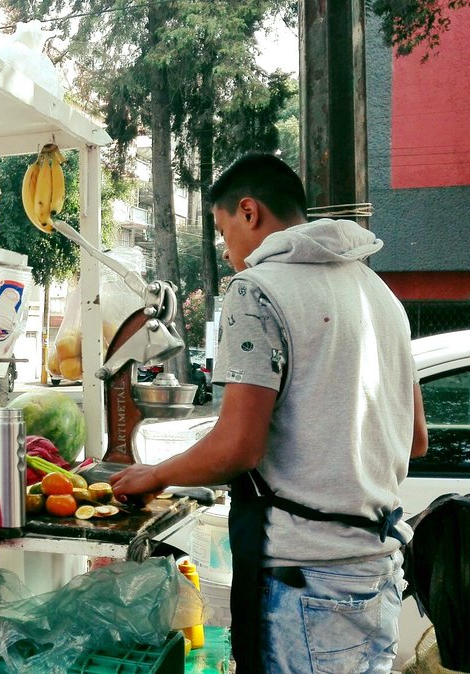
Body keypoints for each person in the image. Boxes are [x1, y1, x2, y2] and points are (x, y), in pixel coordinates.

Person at [108, 153, 428, 674]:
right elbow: (415, 439)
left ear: (250, 212)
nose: (226, 248)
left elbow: (239, 446)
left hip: (307, 583)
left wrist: (156, 474)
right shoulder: (380, 294)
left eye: (221, 228)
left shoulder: (257, 290)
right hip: (380, 573)